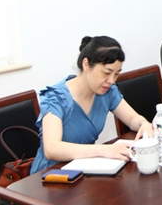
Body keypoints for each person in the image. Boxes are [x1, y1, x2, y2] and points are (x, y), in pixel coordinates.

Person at [30, 36, 154, 173]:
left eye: (116, 74)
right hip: (52, 174)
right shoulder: (56, 97)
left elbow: (131, 118)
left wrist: (144, 124)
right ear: (86, 64)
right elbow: (52, 149)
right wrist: (104, 150)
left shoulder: (107, 91)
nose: (111, 80)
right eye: (106, 73)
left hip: (84, 168)